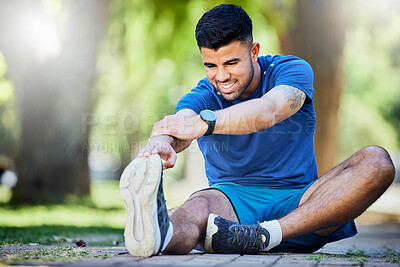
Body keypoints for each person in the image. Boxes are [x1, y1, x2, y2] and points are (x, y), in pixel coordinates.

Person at [119, 4, 395, 257]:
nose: (222, 76)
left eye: (231, 63)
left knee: (376, 161)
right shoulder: (202, 95)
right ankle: (158, 235)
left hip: (303, 204)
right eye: (211, 66)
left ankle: (264, 236)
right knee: (195, 210)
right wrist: (164, 142)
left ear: (254, 52)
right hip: (230, 208)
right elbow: (181, 122)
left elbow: (267, 111)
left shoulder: (290, 71)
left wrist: (204, 123)